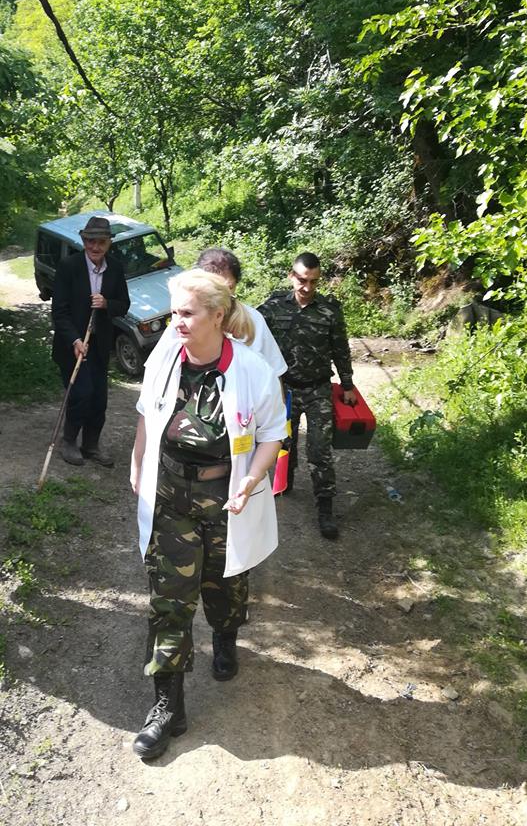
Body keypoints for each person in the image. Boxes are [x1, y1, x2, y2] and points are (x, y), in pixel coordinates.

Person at [130, 268, 285, 760]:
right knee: (169, 602)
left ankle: (225, 635)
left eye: (187, 313)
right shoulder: (165, 358)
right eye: (174, 312)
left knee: (225, 586)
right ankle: (167, 707)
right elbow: (146, 412)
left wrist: (251, 481)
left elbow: (272, 434)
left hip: (226, 500)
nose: (176, 322)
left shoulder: (251, 369)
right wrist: (138, 465)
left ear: (218, 316)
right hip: (171, 496)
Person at [258, 252, 356, 541]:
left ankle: (325, 509)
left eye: (313, 281)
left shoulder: (329, 310)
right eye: (302, 280)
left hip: (317, 389)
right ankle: (284, 482)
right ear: (292, 276)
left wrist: (347, 384)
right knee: (282, 442)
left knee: (319, 450)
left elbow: (340, 348)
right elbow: (250, 334)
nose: (307, 287)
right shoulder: (273, 307)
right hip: (284, 390)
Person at [51, 215, 130, 467]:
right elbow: (59, 311)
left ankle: (91, 445)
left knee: (99, 398)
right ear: (83, 241)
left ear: (109, 243)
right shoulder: (69, 266)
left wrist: (107, 303)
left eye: (101, 242)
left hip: (99, 344)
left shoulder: (115, 268)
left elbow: (124, 305)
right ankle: (69, 442)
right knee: (81, 392)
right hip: (72, 344)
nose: (95, 247)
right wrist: (75, 340)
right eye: (90, 241)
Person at [195, 247, 287, 378]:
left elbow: (275, 371)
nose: (223, 295)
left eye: (229, 287)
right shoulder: (187, 319)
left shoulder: (252, 319)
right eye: (215, 288)